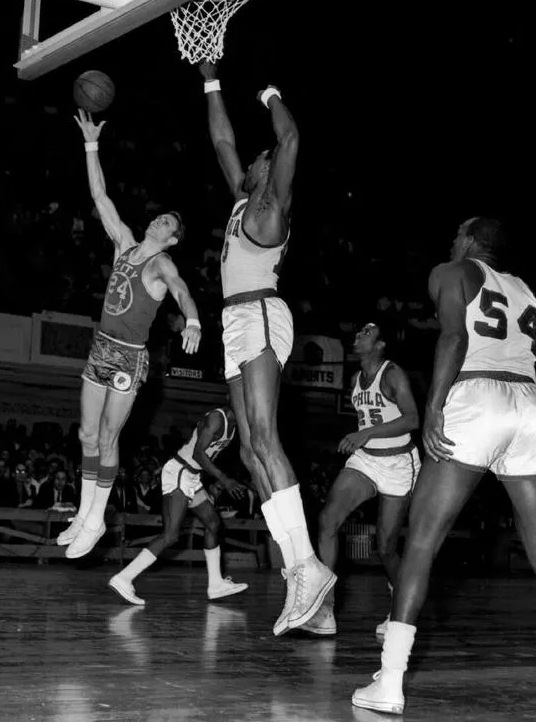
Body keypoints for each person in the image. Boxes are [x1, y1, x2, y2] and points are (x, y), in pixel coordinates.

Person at [353, 218, 536, 714]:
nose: (450, 240)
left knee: (421, 542)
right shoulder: (528, 292)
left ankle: (390, 682)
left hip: (477, 394)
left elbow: (452, 338)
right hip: (528, 404)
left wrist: (435, 407)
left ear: (469, 242)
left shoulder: (451, 271)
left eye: (456, 234)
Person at [199, 60, 335, 634]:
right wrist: (210, 79)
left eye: (260, 159)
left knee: (263, 436)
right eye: (256, 162)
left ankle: (306, 566)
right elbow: (222, 137)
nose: (254, 160)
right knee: (250, 453)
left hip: (259, 310)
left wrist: (270, 92)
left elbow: (290, 138)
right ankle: (315, 602)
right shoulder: (240, 201)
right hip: (234, 322)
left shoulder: (270, 206)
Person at [58, 109, 202, 559]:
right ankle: (84, 514)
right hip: (101, 346)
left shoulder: (162, 264)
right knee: (84, 434)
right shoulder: (124, 242)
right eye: (159, 217)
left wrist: (193, 321)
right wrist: (90, 144)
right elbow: (99, 194)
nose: (158, 220)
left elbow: (180, 290)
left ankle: (97, 519)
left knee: (107, 437)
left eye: (167, 224)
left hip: (128, 357)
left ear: (173, 239)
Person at [302, 323, 420, 637]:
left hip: (398, 462)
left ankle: (400, 604)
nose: (358, 336)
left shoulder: (393, 374)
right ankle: (325, 609)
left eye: (366, 333)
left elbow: (412, 419)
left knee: (385, 548)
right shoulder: (355, 380)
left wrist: (365, 432)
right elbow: (368, 420)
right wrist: (363, 437)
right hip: (367, 460)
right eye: (358, 333)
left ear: (380, 344)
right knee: (328, 519)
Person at [108, 406, 249, 605]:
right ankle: (124, 578)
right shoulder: (218, 418)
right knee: (171, 535)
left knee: (213, 524)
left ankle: (216, 584)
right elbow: (199, 454)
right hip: (180, 471)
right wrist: (224, 480)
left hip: (192, 476)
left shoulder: (235, 427)